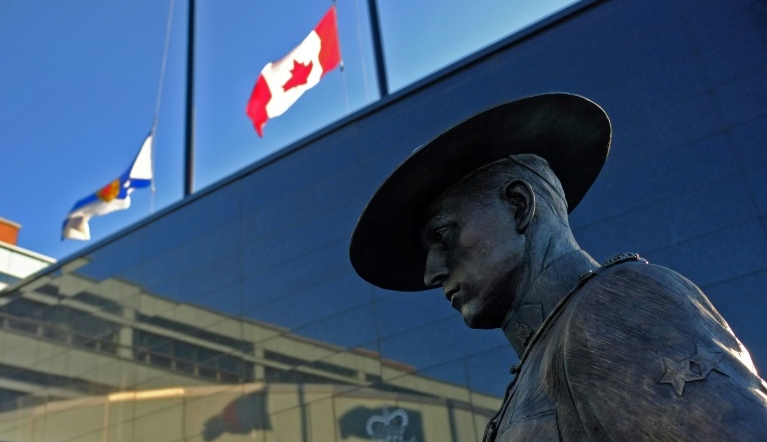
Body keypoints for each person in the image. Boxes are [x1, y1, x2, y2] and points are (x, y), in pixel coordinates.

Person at [349, 93, 767, 441]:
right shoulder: (542, 360)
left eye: (443, 237)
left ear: (518, 205)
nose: (431, 273)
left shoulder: (610, 306)